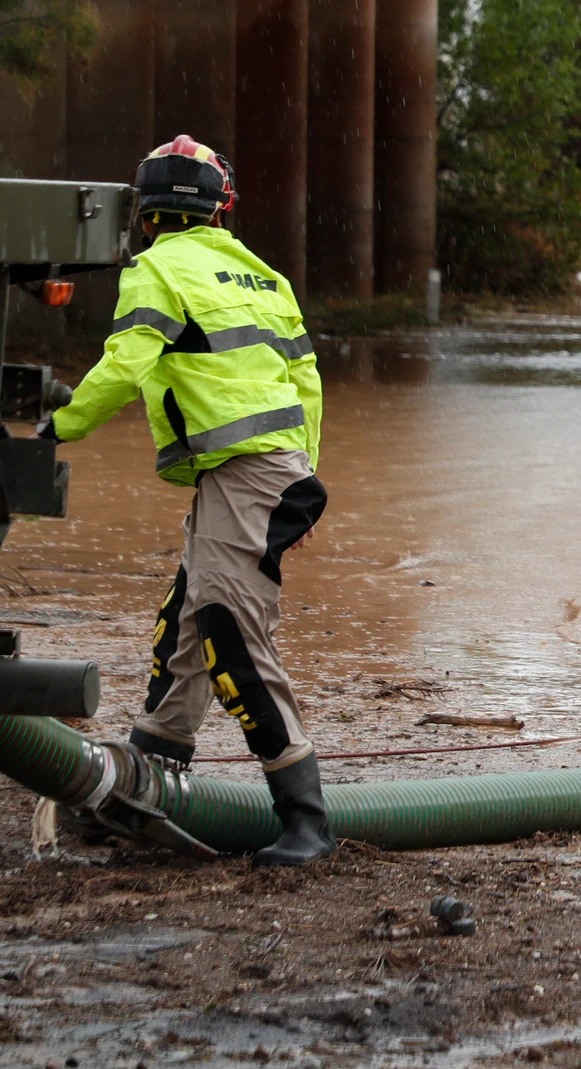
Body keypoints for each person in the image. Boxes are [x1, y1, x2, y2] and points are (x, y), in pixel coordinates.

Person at [40, 136, 333, 866]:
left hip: (244, 476)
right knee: (188, 625)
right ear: (220, 208)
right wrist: (299, 478)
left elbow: (125, 362)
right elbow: (309, 386)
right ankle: (146, 780)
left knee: (230, 634)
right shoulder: (263, 275)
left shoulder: (155, 271)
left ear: (147, 217)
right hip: (267, 471)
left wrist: (58, 426)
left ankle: (306, 820)